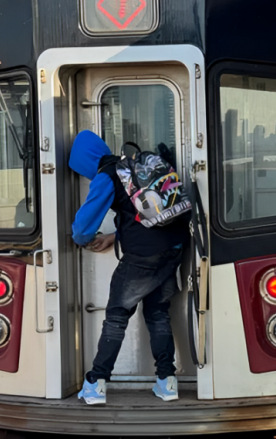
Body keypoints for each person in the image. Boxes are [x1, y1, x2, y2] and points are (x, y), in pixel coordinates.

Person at [69, 130, 190, 405]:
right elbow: (143, 214)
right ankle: (167, 382)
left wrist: (82, 239)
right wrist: (115, 236)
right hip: (173, 248)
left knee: (116, 316)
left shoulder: (105, 176)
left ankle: (95, 383)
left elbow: (82, 229)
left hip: (142, 257)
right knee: (158, 313)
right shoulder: (131, 165)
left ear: (84, 162)